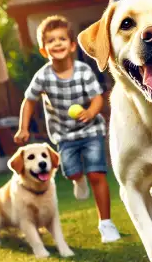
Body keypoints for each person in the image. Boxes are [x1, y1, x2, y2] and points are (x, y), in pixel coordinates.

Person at [13, 15, 121, 243]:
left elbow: (98, 98)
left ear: (72, 45)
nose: (57, 43)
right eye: (51, 41)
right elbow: (29, 101)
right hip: (64, 136)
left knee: (97, 175)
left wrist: (91, 112)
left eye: (62, 39)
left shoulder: (83, 71)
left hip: (91, 132)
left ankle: (106, 224)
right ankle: (77, 179)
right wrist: (23, 128)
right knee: (71, 171)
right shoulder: (42, 76)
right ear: (44, 50)